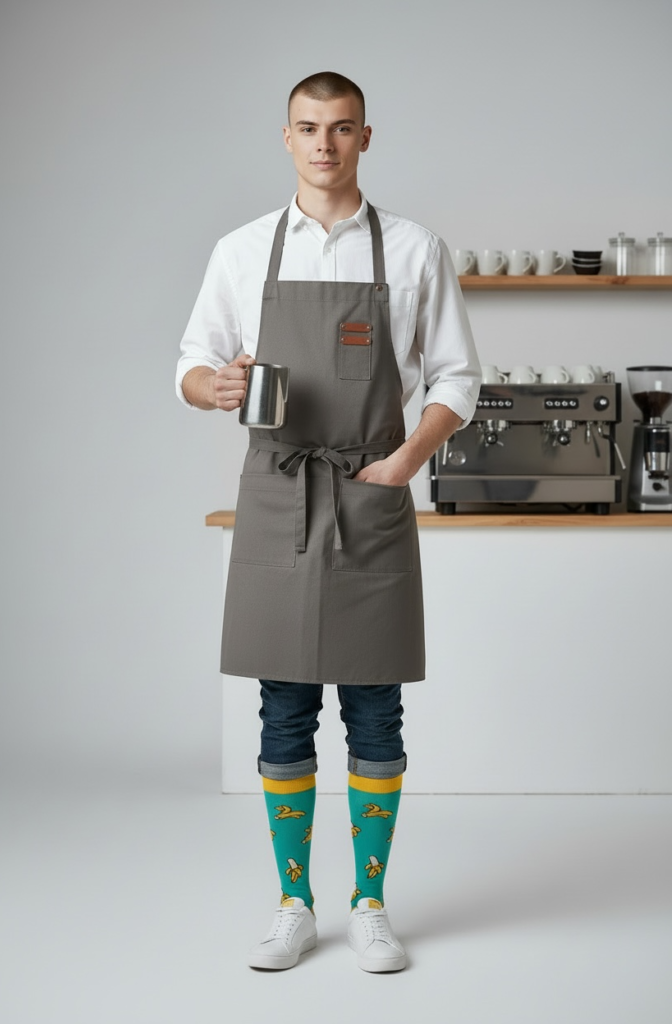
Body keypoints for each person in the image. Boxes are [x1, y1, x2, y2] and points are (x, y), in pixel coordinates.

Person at [177, 71, 480, 972]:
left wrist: (404, 463)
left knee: (375, 706)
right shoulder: (241, 251)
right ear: (286, 138)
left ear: (365, 138)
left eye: (341, 129)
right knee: (281, 708)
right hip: (277, 486)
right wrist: (215, 387)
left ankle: (372, 902)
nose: (323, 144)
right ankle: (294, 904)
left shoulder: (416, 251)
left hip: (371, 487)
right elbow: (191, 364)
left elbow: (456, 379)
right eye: (308, 128)